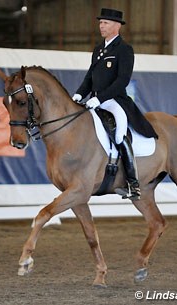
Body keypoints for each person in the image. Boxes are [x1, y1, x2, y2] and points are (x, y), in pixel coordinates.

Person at [72, 8, 157, 201]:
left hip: (114, 101)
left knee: (119, 133)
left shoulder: (124, 49)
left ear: (117, 26)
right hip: (95, 101)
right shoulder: (98, 49)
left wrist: (100, 98)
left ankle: (132, 183)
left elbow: (122, 81)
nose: (101, 26)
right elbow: (89, 77)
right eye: (100, 23)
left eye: (106, 23)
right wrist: (78, 95)